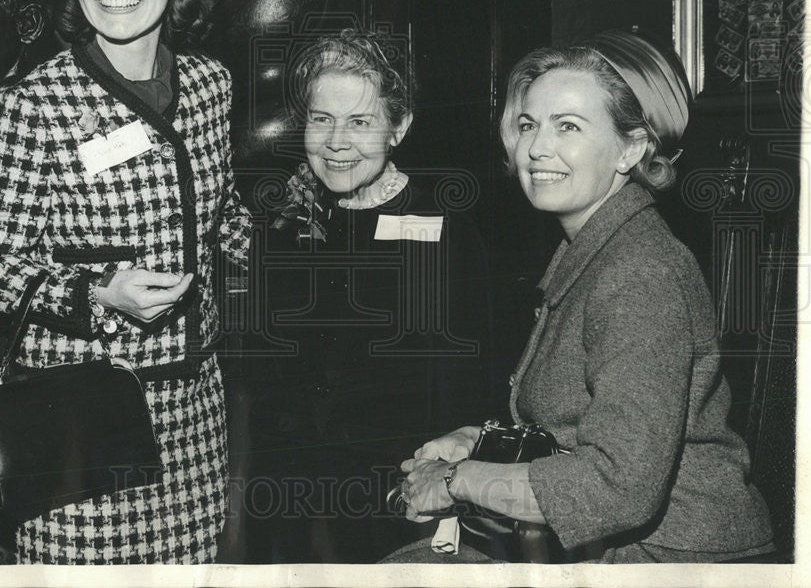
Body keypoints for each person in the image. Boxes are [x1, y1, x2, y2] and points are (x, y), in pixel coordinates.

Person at [392, 29, 774, 563]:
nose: (537, 147)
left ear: (632, 147)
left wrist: (459, 480)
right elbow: (576, 421)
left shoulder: (640, 273)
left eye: (567, 126)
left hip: (672, 555)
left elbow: (616, 487)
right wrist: (476, 438)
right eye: (529, 124)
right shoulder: (598, 248)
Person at [0, 0, 251, 564]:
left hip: (192, 418)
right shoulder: (32, 104)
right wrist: (94, 294)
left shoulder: (211, 84)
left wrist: (299, 228)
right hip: (81, 419)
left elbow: (220, 212)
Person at [236, 30, 492, 563]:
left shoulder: (444, 229)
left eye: (359, 122)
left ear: (399, 127)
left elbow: (470, 384)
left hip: (400, 498)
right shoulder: (282, 221)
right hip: (289, 504)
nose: (335, 142)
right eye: (321, 119)